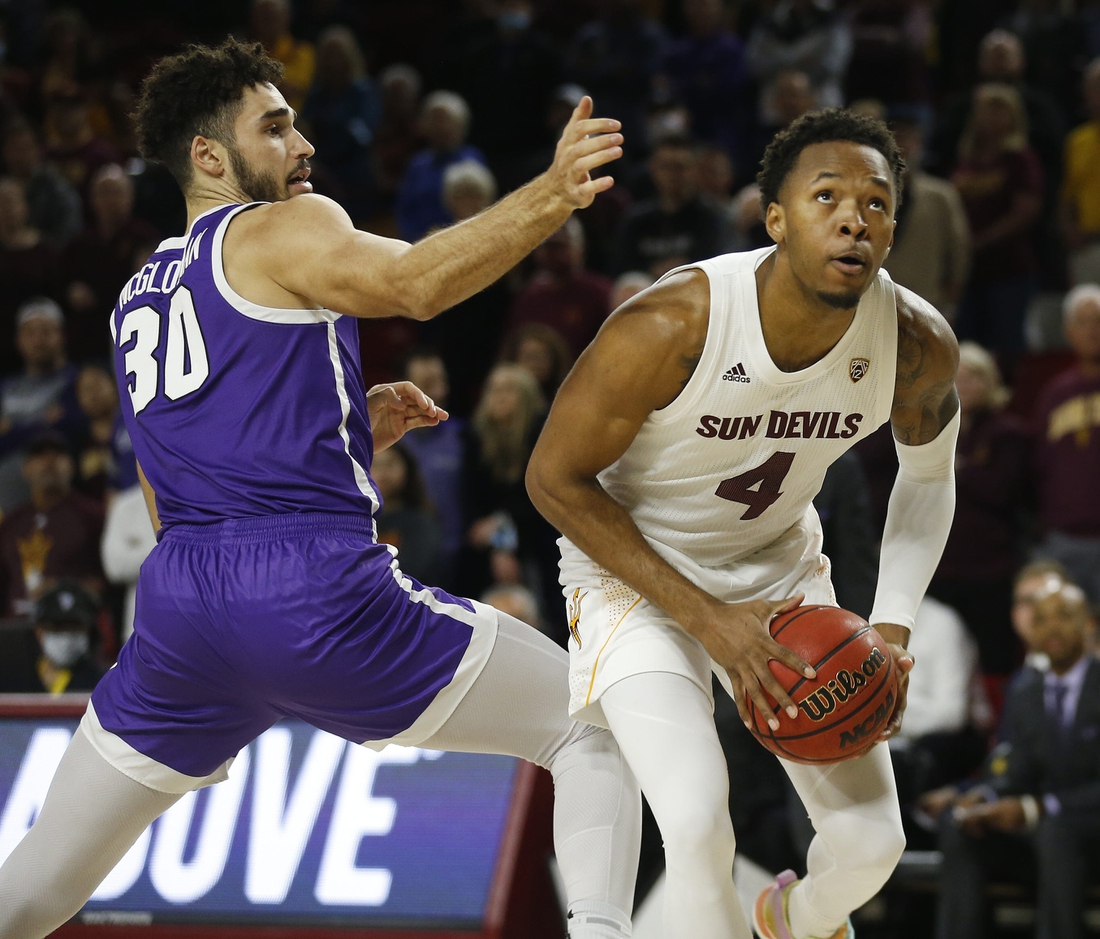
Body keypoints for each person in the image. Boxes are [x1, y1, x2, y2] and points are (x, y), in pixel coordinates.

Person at [0, 38, 641, 939]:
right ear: (210, 157)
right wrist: (553, 192)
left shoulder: (136, 294)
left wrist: (342, 428)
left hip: (181, 612)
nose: (302, 146)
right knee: (592, 722)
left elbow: (170, 483)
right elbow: (413, 285)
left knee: (27, 888)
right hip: (305, 590)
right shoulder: (282, 226)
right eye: (276, 126)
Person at [527, 108, 960, 939]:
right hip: (634, 572)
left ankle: (789, 920)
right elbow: (552, 478)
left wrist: (893, 627)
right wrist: (708, 622)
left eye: (875, 203)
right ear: (775, 218)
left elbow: (930, 477)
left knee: (874, 847)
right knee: (693, 826)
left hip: (775, 566)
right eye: (826, 195)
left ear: (894, 228)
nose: (851, 218)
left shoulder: (914, 343)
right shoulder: (675, 322)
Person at [928, 578, 1100, 939]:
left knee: (1057, 830)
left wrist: (1038, 809)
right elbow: (1015, 765)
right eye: (1040, 620)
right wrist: (986, 797)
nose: (1052, 627)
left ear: (1089, 623)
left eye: (1064, 616)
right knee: (960, 825)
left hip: (1087, 829)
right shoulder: (1025, 688)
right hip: (1046, 833)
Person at [928, 342, 1032, 679]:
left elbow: (1002, 491)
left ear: (990, 382)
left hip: (990, 569)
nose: (963, 386)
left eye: (973, 377)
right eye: (956, 378)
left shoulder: (1009, 433)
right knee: (945, 660)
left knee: (994, 660)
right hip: (942, 567)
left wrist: (958, 470)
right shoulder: (931, 431)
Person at [1031, 284, 1100, 603]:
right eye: (1083, 322)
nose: (1093, 330)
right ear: (1069, 331)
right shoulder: (1054, 393)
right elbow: (1040, 464)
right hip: (1064, 540)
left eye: (1098, 320)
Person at [60, 164, 160, 363]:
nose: (110, 200)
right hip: (89, 338)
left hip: (133, 336)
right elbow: (63, 282)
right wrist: (71, 291)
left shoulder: (145, 238)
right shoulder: (80, 243)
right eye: (104, 193)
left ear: (130, 197)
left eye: (117, 193)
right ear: (92, 199)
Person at [0, 431, 105, 620]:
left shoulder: (94, 516)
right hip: (14, 630)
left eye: (58, 455)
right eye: (40, 456)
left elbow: (109, 582)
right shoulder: (11, 523)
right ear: (25, 468)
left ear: (72, 466)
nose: (49, 462)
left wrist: (61, 587)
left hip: (70, 626)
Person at [0, 299, 84, 514]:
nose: (38, 340)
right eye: (30, 333)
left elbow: (69, 431)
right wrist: (42, 422)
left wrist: (12, 429)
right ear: (18, 340)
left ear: (61, 336)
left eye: (46, 331)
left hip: (61, 508)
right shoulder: (7, 387)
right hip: (7, 508)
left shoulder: (77, 381)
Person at [882, 117, 970, 320]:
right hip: (874, 300)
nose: (903, 146)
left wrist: (950, 301)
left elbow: (958, 249)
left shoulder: (941, 195)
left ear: (920, 145)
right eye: (896, 139)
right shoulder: (866, 193)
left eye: (909, 139)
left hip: (927, 301)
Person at [613, 135, 729, 277]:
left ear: (694, 170)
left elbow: (718, 265)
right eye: (666, 167)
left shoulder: (712, 217)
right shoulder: (636, 220)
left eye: (680, 167)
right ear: (653, 169)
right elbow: (620, 269)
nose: (672, 175)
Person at [400, 350, 466, 588]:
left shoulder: (464, 437)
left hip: (460, 561)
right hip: (402, 563)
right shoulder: (384, 445)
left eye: (442, 382)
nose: (440, 392)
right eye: (428, 384)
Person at [507, 216, 612, 359]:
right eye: (546, 246)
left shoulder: (599, 293)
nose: (552, 254)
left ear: (580, 247)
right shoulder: (529, 295)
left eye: (560, 246)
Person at [395, 91, 485, 242]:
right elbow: (404, 211)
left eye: (445, 120)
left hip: (464, 240)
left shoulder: (472, 160)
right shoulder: (417, 164)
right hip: (421, 244)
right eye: (435, 120)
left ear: (461, 124)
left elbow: (483, 207)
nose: (440, 127)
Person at [373, 442, 443, 586]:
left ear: (407, 468)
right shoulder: (352, 521)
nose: (382, 472)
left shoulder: (421, 522)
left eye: (390, 464)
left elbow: (412, 571)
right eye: (374, 464)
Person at [2, 122, 82, 244]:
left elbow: (70, 229)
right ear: (5, 151)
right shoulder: (3, 186)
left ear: (36, 150)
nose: (20, 155)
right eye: (15, 148)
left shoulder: (55, 186)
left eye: (25, 148)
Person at [1061, 57, 1100, 285]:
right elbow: (1067, 196)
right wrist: (1069, 232)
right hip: (1087, 246)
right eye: (1096, 88)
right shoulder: (1077, 141)